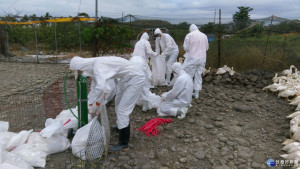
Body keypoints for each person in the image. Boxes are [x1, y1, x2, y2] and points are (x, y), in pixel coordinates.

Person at [70, 56, 146, 152]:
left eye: (80, 72)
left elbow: (103, 88)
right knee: (118, 103)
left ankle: (124, 143)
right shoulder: (94, 66)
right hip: (125, 79)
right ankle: (120, 126)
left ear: (81, 67)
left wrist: (96, 103)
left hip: (136, 78)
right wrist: (89, 103)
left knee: (122, 110)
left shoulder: (98, 66)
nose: (83, 74)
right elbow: (95, 87)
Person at [131, 32, 161, 111]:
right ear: (147, 37)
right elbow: (149, 52)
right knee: (145, 81)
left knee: (135, 82)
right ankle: (145, 105)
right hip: (141, 62)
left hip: (132, 62)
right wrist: (155, 54)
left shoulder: (137, 43)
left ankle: (135, 100)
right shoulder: (146, 42)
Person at [182, 24, 209, 99]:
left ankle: (187, 93)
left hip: (193, 58)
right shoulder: (204, 35)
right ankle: (196, 93)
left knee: (189, 75)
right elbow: (206, 48)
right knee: (198, 75)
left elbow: (186, 48)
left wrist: (192, 49)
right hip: (203, 58)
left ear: (190, 29)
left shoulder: (189, 35)